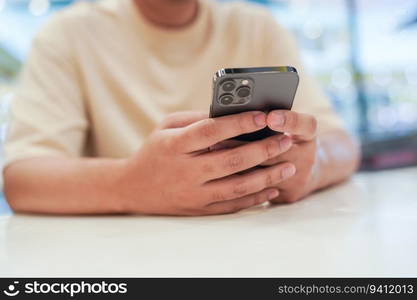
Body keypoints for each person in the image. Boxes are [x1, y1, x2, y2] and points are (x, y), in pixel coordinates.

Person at [3, 0, 360, 216]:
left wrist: (313, 167)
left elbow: (342, 143)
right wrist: (130, 184)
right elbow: (22, 180)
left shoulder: (257, 26)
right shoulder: (67, 34)